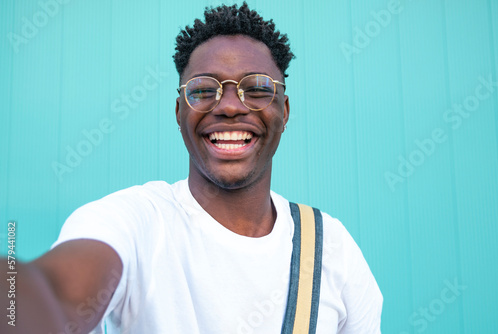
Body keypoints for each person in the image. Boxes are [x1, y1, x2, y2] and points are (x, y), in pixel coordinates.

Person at [1, 3, 382, 333]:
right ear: (180, 112)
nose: (230, 106)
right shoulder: (135, 221)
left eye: (257, 88)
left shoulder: (332, 249)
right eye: (203, 89)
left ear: (284, 111)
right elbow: (57, 293)